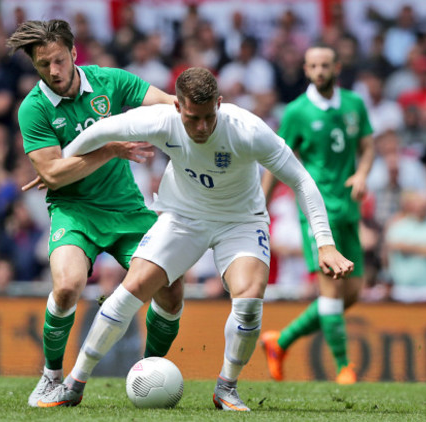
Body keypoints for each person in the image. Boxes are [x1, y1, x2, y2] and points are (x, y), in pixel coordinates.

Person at [34, 67, 353, 411]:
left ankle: (226, 388)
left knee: (248, 303)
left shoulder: (247, 130)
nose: (201, 127)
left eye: (207, 117)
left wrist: (326, 243)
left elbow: (302, 181)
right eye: (192, 119)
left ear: (219, 103)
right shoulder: (159, 120)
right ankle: (74, 383)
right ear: (177, 108)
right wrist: (59, 170)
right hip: (182, 217)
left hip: (240, 221)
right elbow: (99, 131)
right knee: (132, 288)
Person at [5, 19, 183, 406]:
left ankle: (149, 370)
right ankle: (51, 376)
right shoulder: (33, 109)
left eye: (58, 61)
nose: (53, 72)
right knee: (67, 285)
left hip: (126, 208)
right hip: (74, 210)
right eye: (43, 66)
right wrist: (108, 149)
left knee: (171, 289)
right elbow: (52, 174)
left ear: (73, 53)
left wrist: (200, 111)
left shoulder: (110, 82)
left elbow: (168, 101)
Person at [260, 46, 375, 384]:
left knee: (352, 292)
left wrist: (363, 173)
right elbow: (276, 160)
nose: (320, 71)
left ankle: (279, 342)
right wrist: (261, 207)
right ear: (306, 70)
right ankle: (344, 366)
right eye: (313, 66)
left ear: (337, 67)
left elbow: (367, 145)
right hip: (317, 213)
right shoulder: (296, 112)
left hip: (349, 208)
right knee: (332, 291)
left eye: (325, 65)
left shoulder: (354, 104)